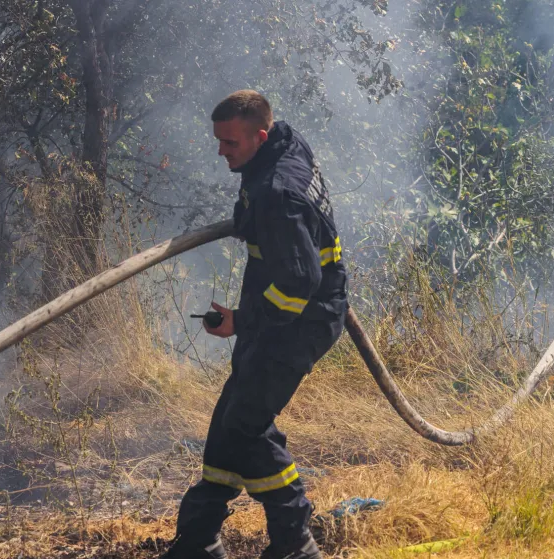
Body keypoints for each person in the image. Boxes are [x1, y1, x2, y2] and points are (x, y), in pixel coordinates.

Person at [163, 90, 347, 559]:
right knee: (232, 418)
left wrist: (243, 322)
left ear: (259, 137)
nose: (221, 151)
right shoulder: (284, 143)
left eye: (230, 143)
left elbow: (299, 282)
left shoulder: (278, 195)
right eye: (219, 140)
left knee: (246, 426)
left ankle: (294, 542)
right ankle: (199, 540)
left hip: (300, 321)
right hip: (282, 314)